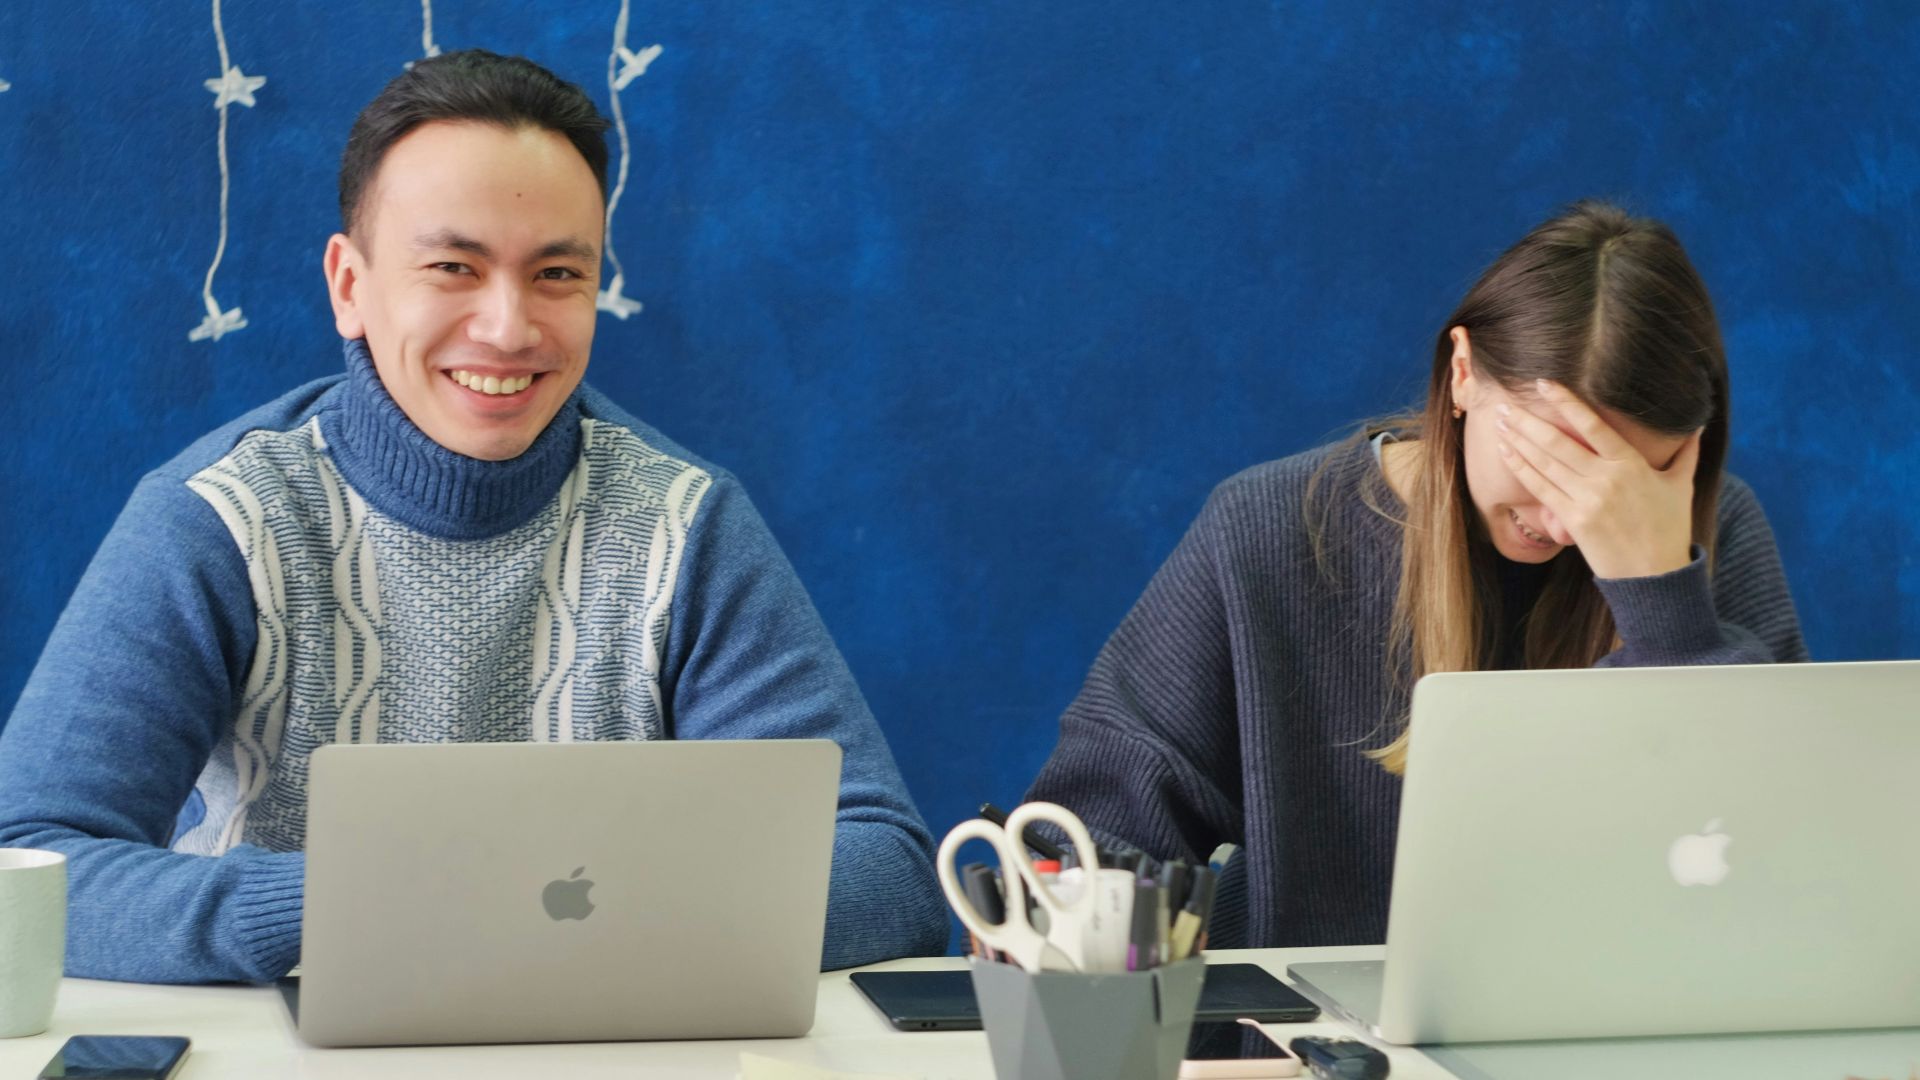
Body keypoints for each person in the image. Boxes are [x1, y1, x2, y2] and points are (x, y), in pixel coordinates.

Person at [0, 50, 946, 983]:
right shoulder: (218, 515)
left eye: (557, 276)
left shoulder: (684, 522)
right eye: (454, 265)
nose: (508, 327)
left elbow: (886, 868)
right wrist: (335, 910)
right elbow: (25, 860)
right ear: (349, 287)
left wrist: (515, 911)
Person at [1025, 201, 1807, 950]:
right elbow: (1083, 846)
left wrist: (1661, 596)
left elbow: (1790, 874)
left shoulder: (1712, 531)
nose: (1571, 524)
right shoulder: (1269, 529)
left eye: (1635, 478)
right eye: (1548, 461)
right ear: (1463, 374)